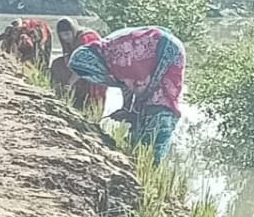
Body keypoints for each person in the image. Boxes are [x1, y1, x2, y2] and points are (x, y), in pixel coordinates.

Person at [68, 25, 185, 164]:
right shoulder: (108, 53)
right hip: (162, 53)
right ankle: (144, 165)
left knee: (159, 113)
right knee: (147, 115)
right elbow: (126, 84)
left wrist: (132, 108)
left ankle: (150, 169)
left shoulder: (117, 55)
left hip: (165, 52)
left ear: (94, 63)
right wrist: (126, 108)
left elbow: (137, 84)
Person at [49, 18, 107, 117]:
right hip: (81, 71)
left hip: (95, 73)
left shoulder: (85, 38)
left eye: (67, 34)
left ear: (73, 30)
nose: (65, 38)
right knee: (57, 65)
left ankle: (91, 119)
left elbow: (82, 66)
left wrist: (69, 84)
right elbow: (69, 57)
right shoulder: (71, 40)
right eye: (62, 36)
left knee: (90, 106)